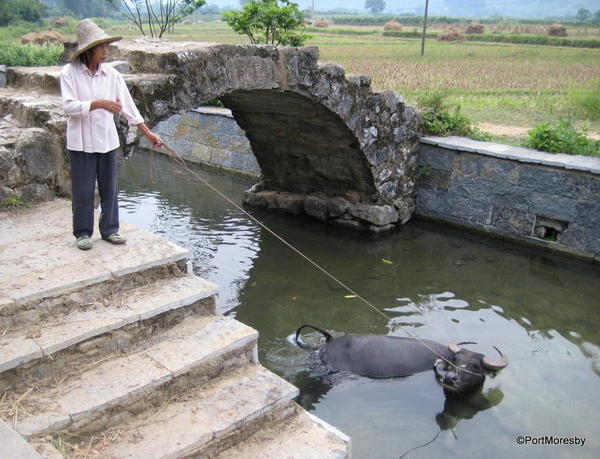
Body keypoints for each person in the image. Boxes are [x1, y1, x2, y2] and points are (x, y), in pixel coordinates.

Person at [60, 19, 162, 250]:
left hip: (107, 140)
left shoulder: (112, 75)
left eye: (107, 46)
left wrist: (149, 134)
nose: (106, 51)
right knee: (83, 190)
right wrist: (99, 103)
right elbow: (69, 107)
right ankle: (83, 233)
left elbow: (129, 108)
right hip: (81, 143)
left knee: (110, 188)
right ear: (88, 50)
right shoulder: (70, 73)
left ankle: (109, 230)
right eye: (101, 47)